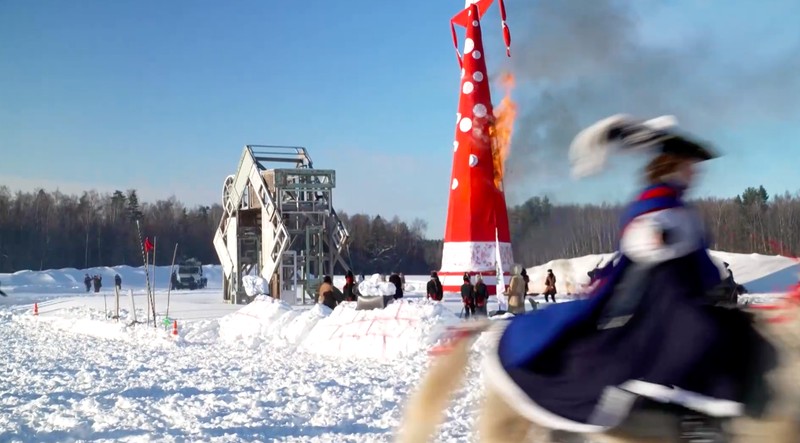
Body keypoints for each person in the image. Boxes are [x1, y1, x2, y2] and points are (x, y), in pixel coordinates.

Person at [483, 114, 775, 434]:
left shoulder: (678, 204)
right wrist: (659, 236)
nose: (695, 171)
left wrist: (715, 283)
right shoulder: (657, 199)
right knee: (698, 332)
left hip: (685, 291)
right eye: (691, 164)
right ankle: (692, 416)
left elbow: (698, 257)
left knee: (733, 330)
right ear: (673, 164)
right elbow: (638, 232)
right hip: (661, 295)